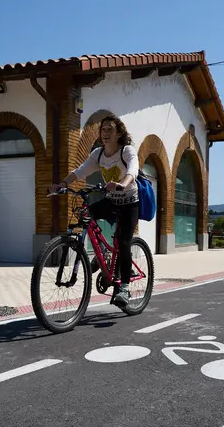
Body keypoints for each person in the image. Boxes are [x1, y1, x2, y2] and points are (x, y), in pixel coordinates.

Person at [49, 115, 139, 308]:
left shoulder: (127, 151)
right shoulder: (98, 154)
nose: (105, 133)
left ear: (119, 133)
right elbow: (81, 171)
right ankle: (102, 256)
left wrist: (123, 183)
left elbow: (133, 170)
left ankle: (124, 288)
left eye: (110, 130)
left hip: (129, 201)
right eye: (103, 130)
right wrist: (62, 184)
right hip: (111, 200)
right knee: (85, 214)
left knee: (123, 242)